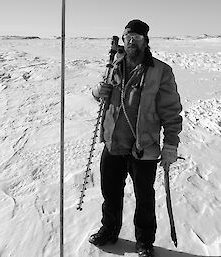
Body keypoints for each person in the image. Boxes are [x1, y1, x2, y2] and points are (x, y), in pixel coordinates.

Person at [89, 19, 183, 257]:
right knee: (110, 194)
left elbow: (171, 111)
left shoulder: (161, 71)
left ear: (146, 41)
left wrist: (170, 144)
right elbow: (100, 92)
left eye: (137, 38)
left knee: (144, 199)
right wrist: (97, 92)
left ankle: (144, 242)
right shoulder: (114, 66)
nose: (131, 42)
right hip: (113, 143)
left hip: (145, 148)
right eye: (127, 37)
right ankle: (109, 230)